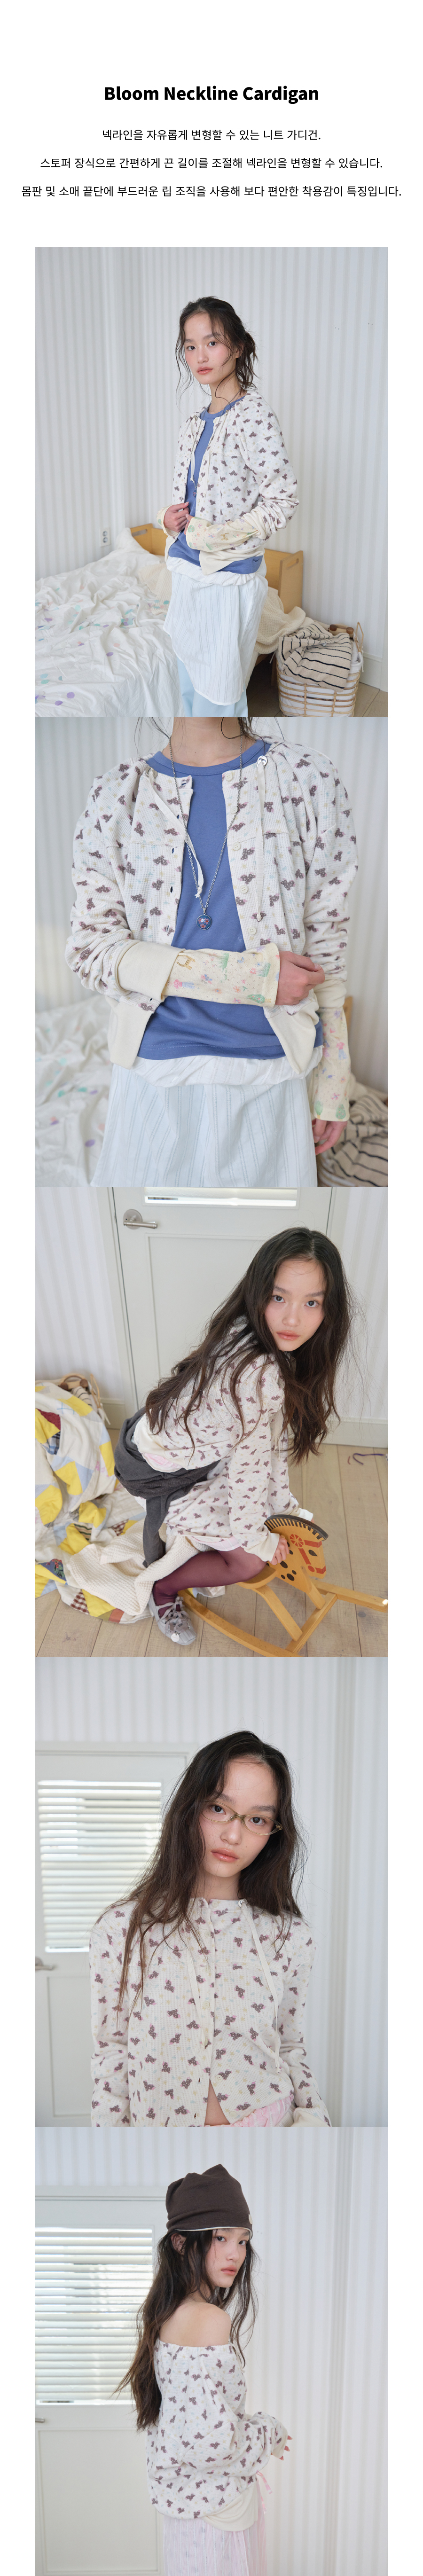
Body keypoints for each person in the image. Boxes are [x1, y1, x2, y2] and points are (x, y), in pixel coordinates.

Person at [66, 725, 356, 1191]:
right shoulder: (116, 795)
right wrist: (253, 978)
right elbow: (91, 951)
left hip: (272, 1069)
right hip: (152, 1073)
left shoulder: (308, 778)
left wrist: (335, 1077)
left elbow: (328, 947)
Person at [111, 1226, 354, 1644]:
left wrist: (284, 1508)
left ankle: (213, 1541)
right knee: (247, 1562)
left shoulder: (251, 1333)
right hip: (156, 1474)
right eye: (279, 1298)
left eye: (312, 1302)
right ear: (258, 1293)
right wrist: (259, 1541)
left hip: (155, 1439)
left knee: (257, 1509)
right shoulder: (258, 1375)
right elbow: (250, 1472)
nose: (293, 1319)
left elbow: (270, 1448)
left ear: (328, 1309)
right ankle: (163, 1588)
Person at [90, 1727, 330, 2127]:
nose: (233, 1834)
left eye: (257, 1819)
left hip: (271, 2128)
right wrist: (111, 2142)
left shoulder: (290, 1936)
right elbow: (111, 2051)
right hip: (162, 2135)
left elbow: (290, 2045)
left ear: (273, 1833)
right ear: (190, 1807)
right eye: (218, 1808)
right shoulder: (120, 1929)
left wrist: (316, 2124)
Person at [119, 2162, 290, 2576]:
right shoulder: (208, 2319)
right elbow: (215, 2444)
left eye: (243, 2239)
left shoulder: (169, 2313)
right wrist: (269, 2431)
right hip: (217, 2511)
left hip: (191, 2511)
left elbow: (191, 2427)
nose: (235, 2253)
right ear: (181, 2242)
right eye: (220, 2237)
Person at [158, 295, 298, 715]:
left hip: (229, 577)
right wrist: (169, 519)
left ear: (237, 347)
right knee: (187, 684)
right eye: (190, 346)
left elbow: (283, 499)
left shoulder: (254, 416)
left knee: (218, 695)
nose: (200, 356)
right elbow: (191, 496)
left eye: (212, 343)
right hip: (186, 568)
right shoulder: (191, 425)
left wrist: (219, 535)